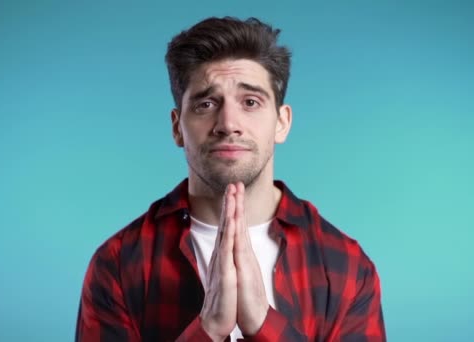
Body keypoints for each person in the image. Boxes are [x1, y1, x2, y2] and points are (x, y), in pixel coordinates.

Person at [76, 16, 386, 342]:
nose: (228, 123)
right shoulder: (118, 265)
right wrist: (208, 329)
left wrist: (263, 324)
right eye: (206, 104)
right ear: (177, 127)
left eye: (250, 102)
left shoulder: (348, 267)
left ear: (282, 123)